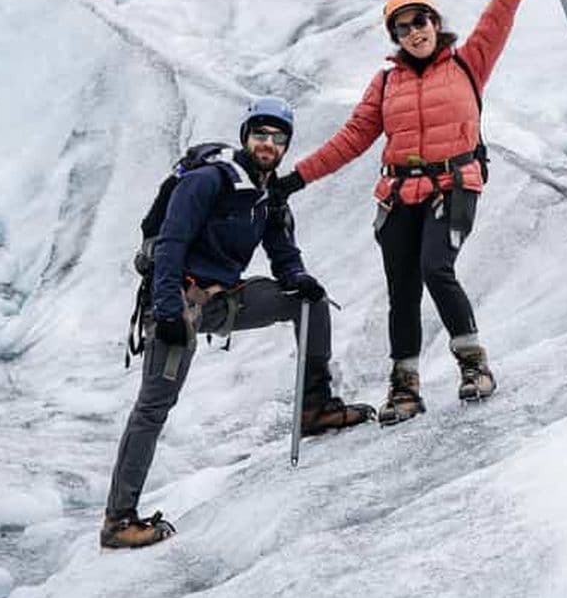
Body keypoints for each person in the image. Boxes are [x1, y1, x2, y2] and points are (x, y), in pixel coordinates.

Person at [273, 0, 556, 426]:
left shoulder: (469, 62)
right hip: (399, 194)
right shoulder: (385, 85)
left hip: (455, 184)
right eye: (403, 27)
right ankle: (404, 387)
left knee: (434, 267)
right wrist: (297, 178)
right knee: (402, 287)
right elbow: (353, 138)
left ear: (434, 22)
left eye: (420, 21)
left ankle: (473, 364)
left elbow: (502, 10)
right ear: (395, 36)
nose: (414, 31)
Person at [101, 96, 375, 549]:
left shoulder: (267, 194)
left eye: (278, 137)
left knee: (310, 303)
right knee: (154, 406)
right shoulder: (211, 180)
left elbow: (282, 250)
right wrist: (167, 311)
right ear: (246, 136)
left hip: (223, 299)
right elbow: (170, 243)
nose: (268, 144)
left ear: (286, 145)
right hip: (178, 302)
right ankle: (117, 519)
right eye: (260, 135)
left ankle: (313, 407)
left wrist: (298, 278)